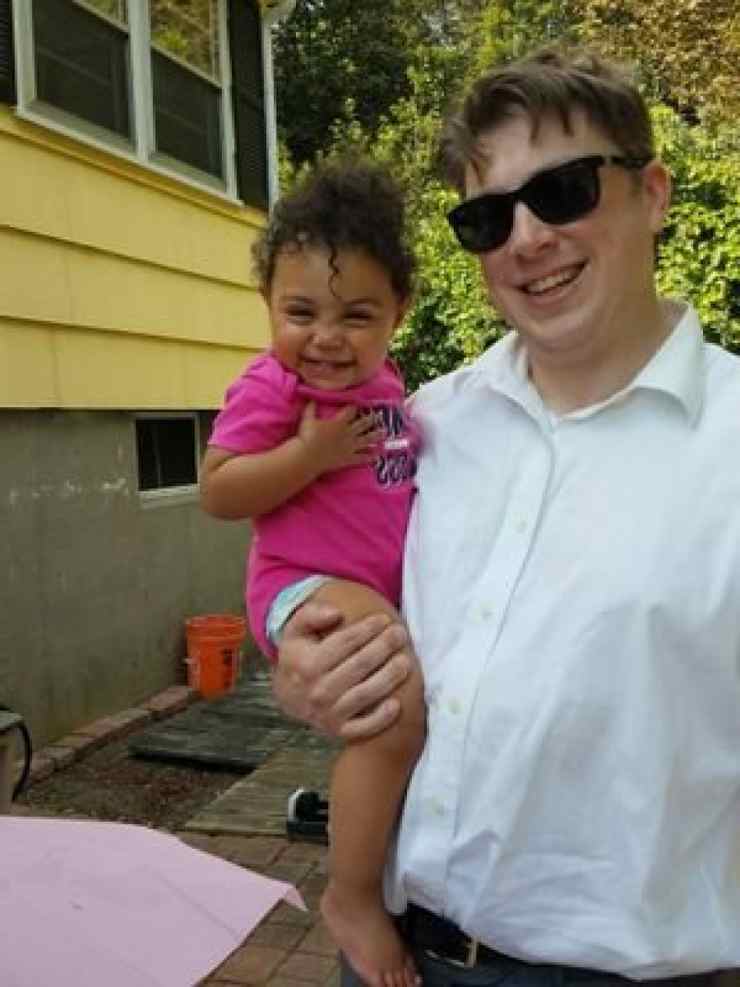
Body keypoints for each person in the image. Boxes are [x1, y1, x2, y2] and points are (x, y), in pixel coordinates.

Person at [272, 48, 740, 987]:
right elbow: (321, 568)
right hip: (394, 955)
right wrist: (303, 660)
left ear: (651, 194)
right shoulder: (422, 426)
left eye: (563, 192)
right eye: (487, 218)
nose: (526, 238)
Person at [200, 160, 426, 987]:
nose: (327, 337)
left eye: (356, 315)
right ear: (268, 304)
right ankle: (351, 895)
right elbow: (219, 490)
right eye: (301, 313)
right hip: (301, 582)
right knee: (394, 712)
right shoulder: (274, 387)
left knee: (400, 728)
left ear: (399, 311)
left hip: (371, 587)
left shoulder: (390, 386)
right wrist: (308, 454)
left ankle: (383, 867)